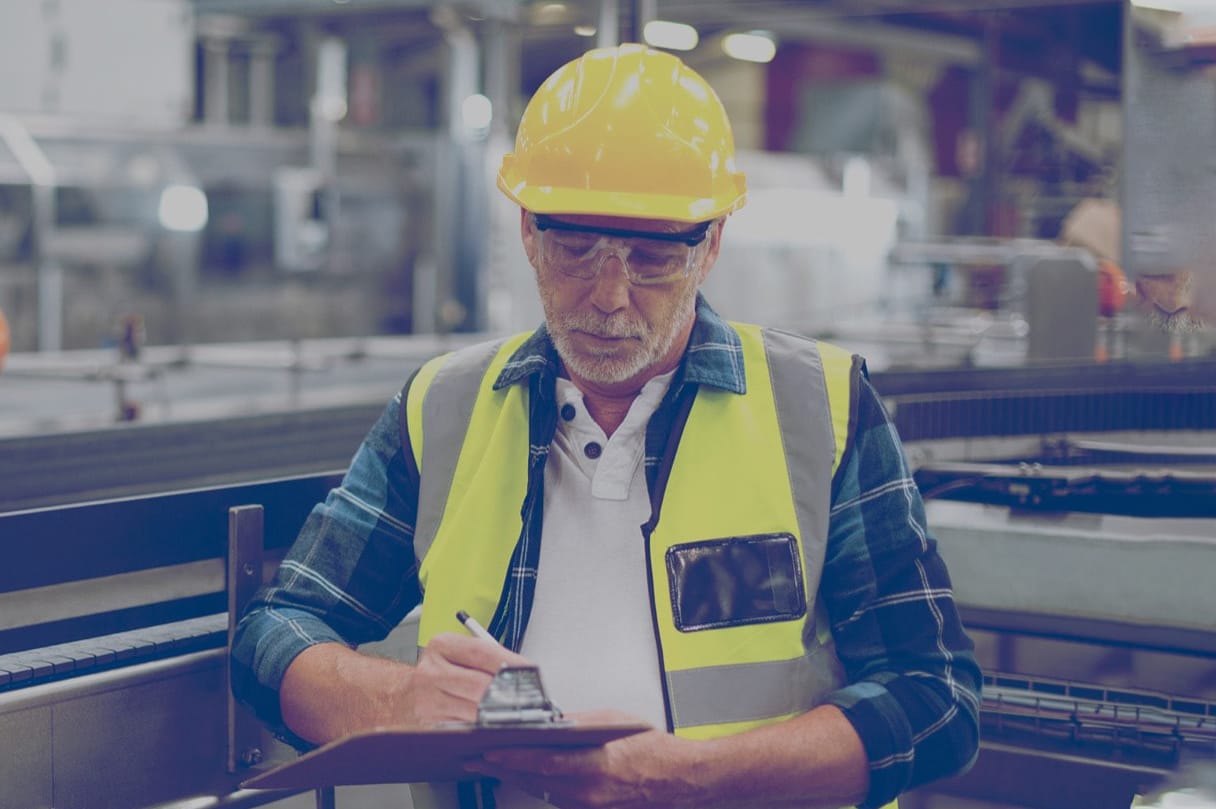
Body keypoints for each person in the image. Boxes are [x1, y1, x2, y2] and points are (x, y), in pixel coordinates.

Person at [232, 44, 981, 809]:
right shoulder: (444, 409)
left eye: (653, 257)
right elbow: (275, 632)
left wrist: (688, 779)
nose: (609, 294)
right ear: (527, 231)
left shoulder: (819, 409)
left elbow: (936, 698)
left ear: (711, 244)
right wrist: (397, 703)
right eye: (575, 247)